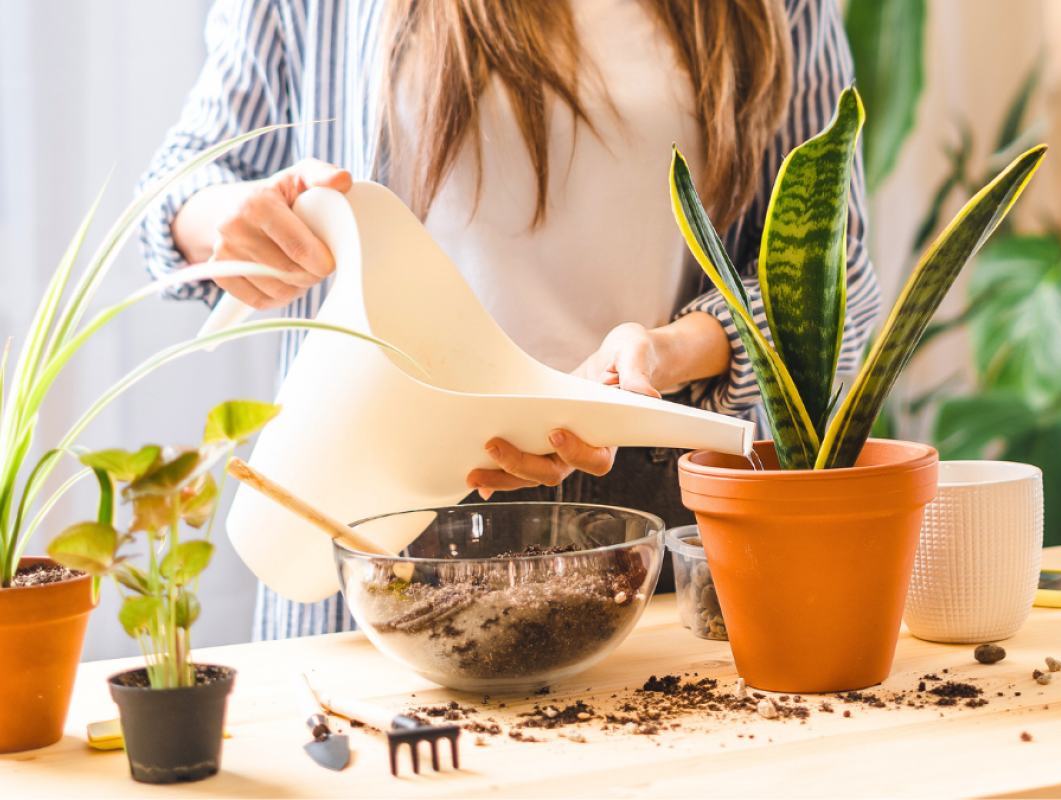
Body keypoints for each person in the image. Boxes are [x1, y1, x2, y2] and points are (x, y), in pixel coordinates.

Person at [139, 0, 881, 640]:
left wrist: (665, 353)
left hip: (644, 514)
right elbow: (179, 188)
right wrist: (233, 224)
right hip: (380, 493)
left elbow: (836, 277)